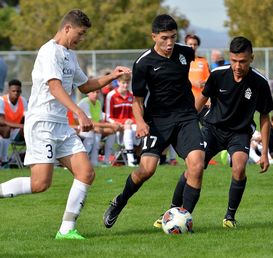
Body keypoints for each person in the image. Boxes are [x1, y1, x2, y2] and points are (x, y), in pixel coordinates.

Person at [0, 9, 131, 240]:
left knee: (86, 172)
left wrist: (112, 76)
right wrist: (79, 112)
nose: (81, 39)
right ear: (67, 28)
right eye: (80, 34)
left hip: (60, 125)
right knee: (40, 183)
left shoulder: (70, 55)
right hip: (42, 123)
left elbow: (85, 85)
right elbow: (55, 87)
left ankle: (67, 229)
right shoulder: (49, 51)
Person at [154, 36, 273, 229]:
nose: (237, 66)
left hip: (240, 133)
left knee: (239, 166)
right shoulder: (218, 74)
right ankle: (171, 211)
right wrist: (184, 127)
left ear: (251, 58)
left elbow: (265, 117)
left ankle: (229, 217)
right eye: (234, 61)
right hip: (212, 129)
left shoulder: (259, 82)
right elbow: (200, 101)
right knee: (195, 167)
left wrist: (266, 153)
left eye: (242, 62)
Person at [103, 14, 205, 230]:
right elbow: (137, 101)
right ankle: (119, 201)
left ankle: (183, 220)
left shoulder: (186, 53)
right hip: (157, 121)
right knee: (147, 169)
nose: (169, 44)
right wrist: (140, 122)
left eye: (173, 38)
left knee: (197, 165)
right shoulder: (143, 63)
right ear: (154, 36)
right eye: (164, 38)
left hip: (186, 117)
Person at [77, 90, 122, 166]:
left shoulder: (98, 103)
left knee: (112, 131)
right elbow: (90, 122)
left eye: (97, 92)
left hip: (93, 128)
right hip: (82, 128)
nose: (95, 94)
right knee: (98, 130)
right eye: (93, 92)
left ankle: (106, 161)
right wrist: (111, 125)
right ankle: (93, 160)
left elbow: (100, 121)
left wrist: (112, 126)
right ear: (88, 93)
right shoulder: (84, 103)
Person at [104, 73, 140, 167]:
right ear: (118, 82)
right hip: (116, 126)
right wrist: (123, 123)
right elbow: (108, 117)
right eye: (123, 83)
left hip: (130, 125)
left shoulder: (132, 95)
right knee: (128, 129)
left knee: (138, 128)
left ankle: (138, 157)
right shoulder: (111, 95)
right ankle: (131, 160)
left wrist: (131, 121)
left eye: (127, 83)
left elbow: (135, 115)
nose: (126, 85)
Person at [0, 79, 27, 168]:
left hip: (15, 131)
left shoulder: (22, 100)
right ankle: (4, 161)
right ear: (8, 91)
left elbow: (27, 117)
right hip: (3, 130)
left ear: (21, 91)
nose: (16, 93)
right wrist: (21, 126)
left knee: (29, 130)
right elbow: (2, 121)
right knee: (6, 129)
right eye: (13, 91)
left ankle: (30, 158)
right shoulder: (2, 100)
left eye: (18, 91)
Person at [185, 34, 210, 99]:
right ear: (186, 45)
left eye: (195, 44)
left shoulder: (203, 61)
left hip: (201, 98)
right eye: (190, 44)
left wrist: (203, 83)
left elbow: (209, 78)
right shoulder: (181, 61)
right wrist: (192, 83)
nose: (192, 46)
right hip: (186, 98)